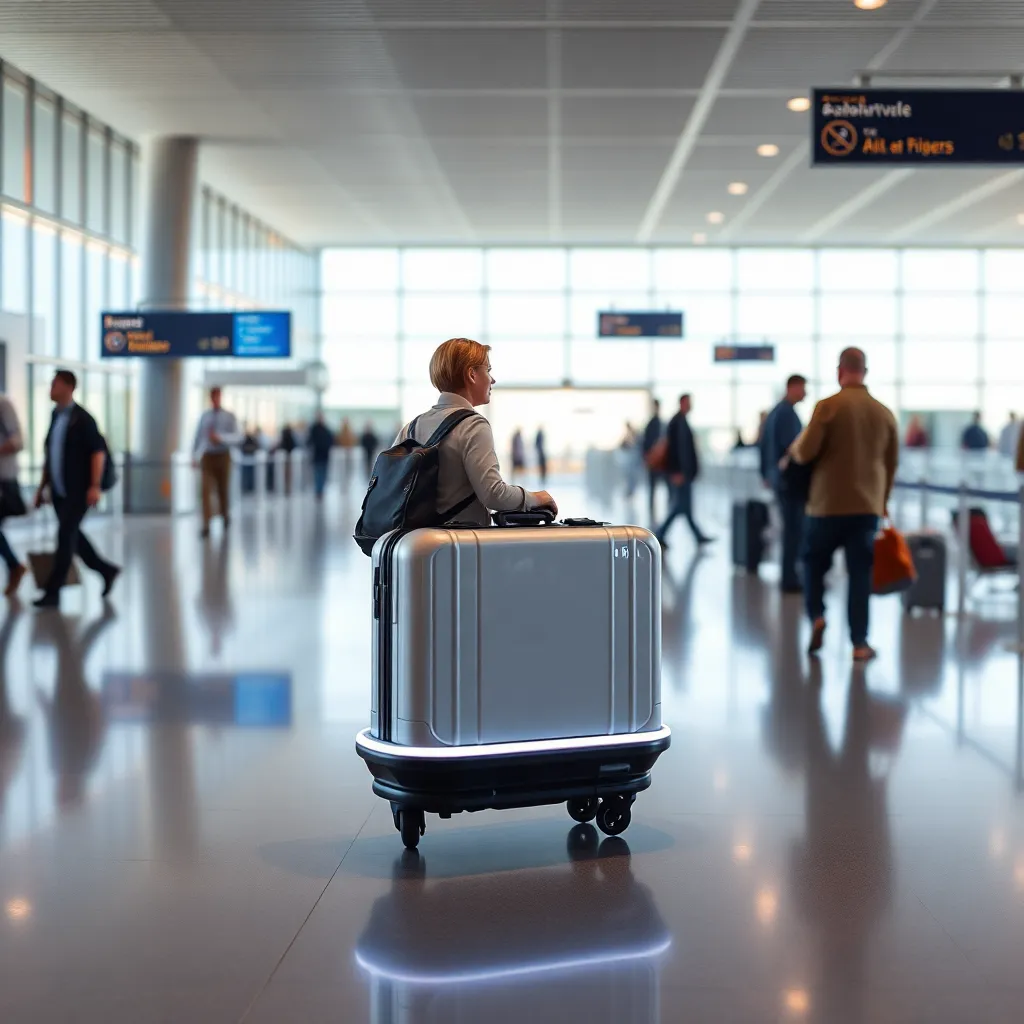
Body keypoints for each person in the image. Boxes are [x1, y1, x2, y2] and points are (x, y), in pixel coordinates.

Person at [790, 348, 898, 663]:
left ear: (840, 371)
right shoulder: (884, 413)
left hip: (826, 505)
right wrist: (882, 502)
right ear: (865, 371)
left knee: (813, 563)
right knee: (860, 574)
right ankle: (860, 643)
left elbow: (806, 451)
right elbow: (891, 465)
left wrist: (795, 449)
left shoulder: (827, 407)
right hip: (866, 507)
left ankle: (818, 616)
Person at [396, 337, 557, 526]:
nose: (492, 379)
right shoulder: (473, 425)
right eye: (488, 370)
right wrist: (536, 498)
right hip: (459, 546)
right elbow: (494, 494)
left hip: (415, 542)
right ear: (471, 374)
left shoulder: (412, 427)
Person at [33, 370, 120, 609]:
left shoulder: (83, 419)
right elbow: (50, 456)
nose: (51, 388)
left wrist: (94, 486)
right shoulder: (55, 416)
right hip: (60, 491)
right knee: (74, 537)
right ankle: (106, 570)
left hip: (79, 491)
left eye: (55, 384)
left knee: (64, 537)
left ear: (68, 387)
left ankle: (52, 592)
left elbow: (98, 453)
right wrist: (42, 488)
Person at [762, 374, 808, 594]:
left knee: (791, 529)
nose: (805, 393)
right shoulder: (787, 414)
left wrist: (766, 474)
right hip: (790, 482)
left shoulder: (776, 413)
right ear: (792, 387)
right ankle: (789, 577)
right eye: (802, 388)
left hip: (780, 480)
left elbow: (765, 445)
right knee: (793, 530)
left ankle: (790, 574)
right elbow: (794, 447)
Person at [655, 394, 713, 550]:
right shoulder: (677, 423)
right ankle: (659, 534)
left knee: (685, 508)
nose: (690, 405)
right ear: (681, 403)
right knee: (679, 507)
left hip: (684, 473)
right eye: (688, 402)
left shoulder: (681, 422)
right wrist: (677, 471)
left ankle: (697, 536)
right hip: (680, 474)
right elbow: (676, 451)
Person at [193, 387, 240, 539]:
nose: (215, 399)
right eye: (213, 397)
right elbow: (198, 437)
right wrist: (194, 455)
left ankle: (225, 515)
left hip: (223, 454)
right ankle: (206, 523)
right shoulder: (205, 416)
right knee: (205, 490)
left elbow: (238, 436)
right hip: (208, 455)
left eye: (217, 396)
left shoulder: (229, 416)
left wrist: (221, 438)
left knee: (222, 488)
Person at [0, 394, 27, 597]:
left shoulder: (3, 404)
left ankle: (15, 565)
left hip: (4, 479)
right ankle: (14, 565)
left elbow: (17, 441)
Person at [642, 399, 664, 520]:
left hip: (657, 460)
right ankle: (652, 511)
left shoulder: (658, 423)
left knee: (654, 486)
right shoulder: (653, 423)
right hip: (653, 460)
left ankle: (653, 511)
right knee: (652, 486)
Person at [307, 413, 335, 501]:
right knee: (318, 474)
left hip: (323, 456)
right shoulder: (316, 429)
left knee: (322, 474)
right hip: (318, 456)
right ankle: (319, 491)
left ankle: (320, 491)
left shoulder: (324, 430)